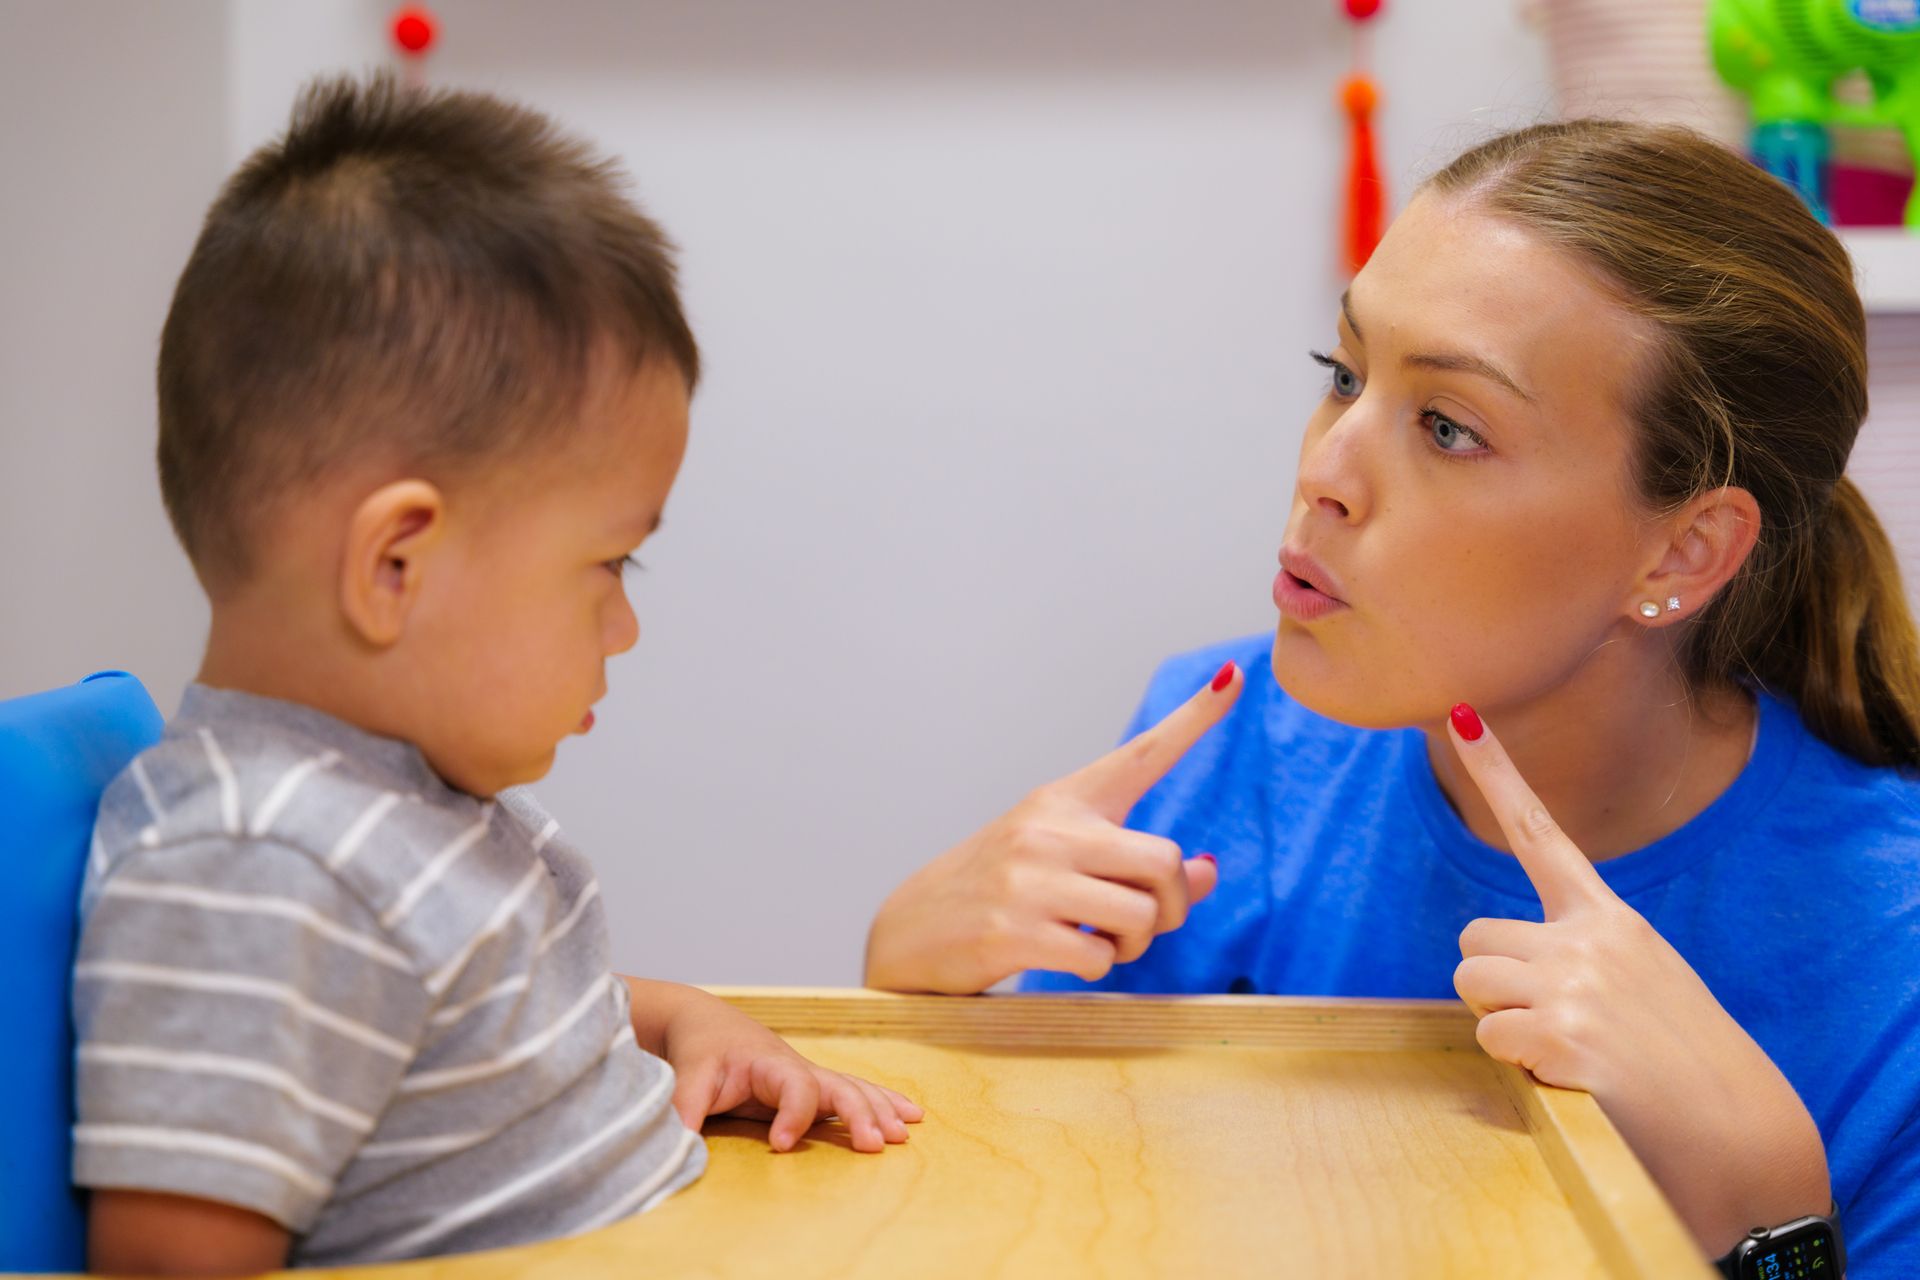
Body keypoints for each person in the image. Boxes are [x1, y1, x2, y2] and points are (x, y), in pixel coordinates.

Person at [865, 119, 1920, 1270]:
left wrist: (1765, 1212)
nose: (1323, 470)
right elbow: (1063, 1222)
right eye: (1345, 374)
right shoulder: (1221, 746)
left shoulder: (1893, 950)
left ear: (1681, 554)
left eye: (1448, 427)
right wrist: (909, 1004)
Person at [77, 74, 920, 1275]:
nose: (624, 627)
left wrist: (682, 1016)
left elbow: (452, 1018)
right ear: (397, 565)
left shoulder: (383, 810)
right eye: (610, 561)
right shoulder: (255, 869)